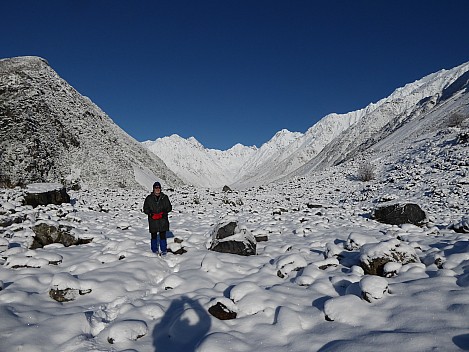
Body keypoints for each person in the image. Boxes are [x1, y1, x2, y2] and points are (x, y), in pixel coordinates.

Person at [143, 181, 172, 255]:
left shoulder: (164, 197)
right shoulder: (149, 198)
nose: (157, 189)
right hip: (153, 220)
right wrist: (151, 214)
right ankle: (154, 250)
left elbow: (169, 207)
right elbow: (145, 208)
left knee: (162, 235)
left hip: (163, 220)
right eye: (156, 187)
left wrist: (163, 214)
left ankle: (163, 250)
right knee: (154, 235)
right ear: (153, 189)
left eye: (158, 187)